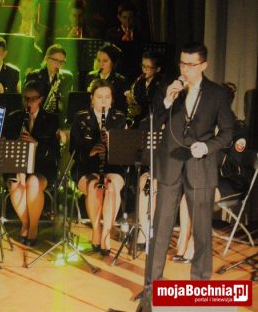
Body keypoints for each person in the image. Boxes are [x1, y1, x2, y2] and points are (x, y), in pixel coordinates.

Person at [140, 42, 234, 309]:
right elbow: (154, 119)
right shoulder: (170, 88)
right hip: (170, 164)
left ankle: (200, 290)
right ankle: (151, 291)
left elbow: (228, 132)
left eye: (191, 65)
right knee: (161, 228)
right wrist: (168, 100)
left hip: (200, 166)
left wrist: (208, 146)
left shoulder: (217, 94)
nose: (185, 69)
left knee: (202, 230)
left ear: (203, 65)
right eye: (182, 63)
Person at [70, 79, 127, 256]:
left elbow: (127, 152)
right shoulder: (80, 118)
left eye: (107, 97)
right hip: (86, 167)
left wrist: (113, 144)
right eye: (99, 97)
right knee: (95, 187)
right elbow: (73, 149)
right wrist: (91, 150)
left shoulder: (119, 118)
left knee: (111, 187)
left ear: (112, 99)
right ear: (92, 98)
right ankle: (96, 230)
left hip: (113, 166)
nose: (103, 101)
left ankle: (106, 235)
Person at [4, 81, 60, 246]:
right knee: (15, 184)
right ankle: (26, 223)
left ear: (40, 99)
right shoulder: (14, 117)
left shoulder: (51, 119)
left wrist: (35, 143)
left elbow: (54, 152)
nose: (29, 103)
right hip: (17, 165)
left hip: (42, 167)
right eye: (26, 99)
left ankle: (33, 227)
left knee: (33, 182)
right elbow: (6, 144)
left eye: (33, 99)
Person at [25, 44, 75, 126]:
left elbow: (68, 102)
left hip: (58, 121)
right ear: (46, 58)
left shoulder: (67, 77)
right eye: (55, 60)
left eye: (61, 62)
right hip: (37, 120)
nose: (58, 64)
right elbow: (27, 101)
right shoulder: (33, 76)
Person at [86, 44, 128, 112]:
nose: (101, 64)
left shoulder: (120, 80)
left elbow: (121, 106)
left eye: (105, 61)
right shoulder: (90, 77)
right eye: (99, 60)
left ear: (112, 63)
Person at [126, 51, 163, 128]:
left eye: (148, 67)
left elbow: (155, 107)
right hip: (138, 122)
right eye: (143, 66)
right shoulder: (139, 82)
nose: (144, 70)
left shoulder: (161, 85)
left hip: (152, 124)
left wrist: (140, 108)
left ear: (157, 69)